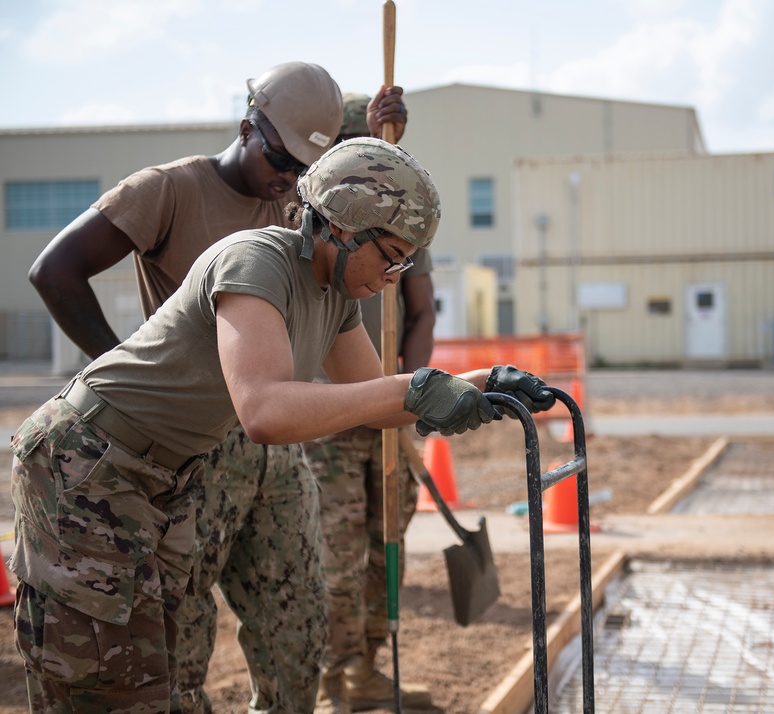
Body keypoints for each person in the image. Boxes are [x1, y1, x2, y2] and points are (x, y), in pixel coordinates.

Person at [9, 136, 556, 712]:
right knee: (105, 682)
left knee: (152, 675)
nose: (396, 275)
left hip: (160, 477)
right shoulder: (255, 261)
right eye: (392, 254)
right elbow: (264, 412)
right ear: (343, 227)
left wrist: (478, 384)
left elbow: (375, 402)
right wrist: (411, 389)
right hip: (86, 467)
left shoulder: (334, 292)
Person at [25, 62, 407, 713]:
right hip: (169, 443)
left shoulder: (305, 216)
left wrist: (379, 139)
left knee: (295, 621)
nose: (287, 180)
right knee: (157, 651)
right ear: (246, 128)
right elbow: (54, 270)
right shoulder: (170, 191)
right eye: (280, 159)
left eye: (301, 172)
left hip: (260, 437)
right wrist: (126, 371)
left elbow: (362, 208)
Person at [304, 94, 436, 712]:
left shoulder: (400, 217)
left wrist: (407, 392)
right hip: (326, 414)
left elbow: (422, 307)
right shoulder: (312, 216)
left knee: (388, 539)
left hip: (387, 404)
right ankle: (339, 673)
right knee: (337, 546)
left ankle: (370, 668)